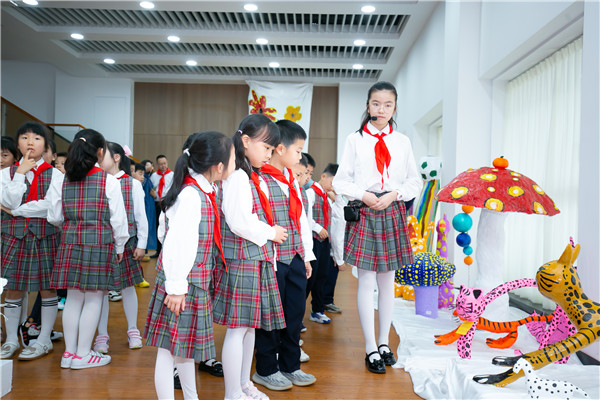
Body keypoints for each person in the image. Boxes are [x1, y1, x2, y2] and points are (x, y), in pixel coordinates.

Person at [332, 81, 422, 374]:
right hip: (366, 209)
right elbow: (340, 181)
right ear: (368, 105)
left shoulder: (402, 141)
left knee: (387, 282)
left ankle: (384, 343)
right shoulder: (355, 140)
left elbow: (415, 181)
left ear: (395, 108)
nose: (381, 109)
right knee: (366, 281)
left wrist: (395, 194)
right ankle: (370, 347)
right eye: (376, 103)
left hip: (392, 209)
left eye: (388, 104)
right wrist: (365, 195)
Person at [144, 131, 234, 400]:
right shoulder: (192, 195)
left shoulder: (203, 190)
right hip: (182, 284)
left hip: (191, 282)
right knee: (167, 351)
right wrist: (175, 288)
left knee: (183, 350)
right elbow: (175, 242)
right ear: (218, 166)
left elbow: (166, 234)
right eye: (232, 159)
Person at [213, 114, 287, 400]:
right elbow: (238, 221)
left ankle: (244, 384)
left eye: (271, 149)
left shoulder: (250, 175)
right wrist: (271, 232)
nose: (269, 154)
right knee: (238, 329)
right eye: (266, 147)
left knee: (250, 327)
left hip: (254, 258)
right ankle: (233, 392)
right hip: (242, 259)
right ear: (245, 141)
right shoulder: (238, 177)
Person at [47, 129, 129, 369]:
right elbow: (118, 221)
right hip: (99, 243)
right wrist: (120, 245)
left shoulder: (61, 179)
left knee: (73, 298)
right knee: (94, 298)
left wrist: (73, 226)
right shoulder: (108, 181)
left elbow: (54, 217)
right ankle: (83, 354)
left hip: (70, 243)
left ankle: (69, 354)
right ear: (100, 152)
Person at [253, 119, 316, 391]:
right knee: (270, 316)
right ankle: (266, 369)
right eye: (298, 150)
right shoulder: (260, 178)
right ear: (280, 149)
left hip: (296, 257)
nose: (300, 157)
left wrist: (307, 255)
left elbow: (301, 219)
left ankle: (291, 365)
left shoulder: (291, 178)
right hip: (273, 259)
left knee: (294, 314)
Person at [0, 122, 63, 360]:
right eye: (24, 137)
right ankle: (11, 340)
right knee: (13, 289)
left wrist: (16, 211)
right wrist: (20, 173)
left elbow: (50, 207)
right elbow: (8, 200)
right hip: (13, 238)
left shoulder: (56, 174)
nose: (30, 142)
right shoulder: (5, 173)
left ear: (45, 145)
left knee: (48, 289)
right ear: (17, 144)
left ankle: (44, 340)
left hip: (45, 237)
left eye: (36, 138)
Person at [93, 142, 148, 354]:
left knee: (128, 287)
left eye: (103, 155)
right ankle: (101, 334)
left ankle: (133, 329)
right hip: (103, 242)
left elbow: (140, 216)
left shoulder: (131, 183)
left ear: (116, 157)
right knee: (101, 290)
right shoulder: (97, 181)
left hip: (127, 242)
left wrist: (141, 244)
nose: (99, 160)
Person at [305, 163, 338, 324]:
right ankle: (297, 317)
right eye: (332, 182)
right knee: (309, 279)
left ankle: (317, 310)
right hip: (312, 241)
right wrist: (318, 228)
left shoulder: (327, 198)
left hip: (324, 242)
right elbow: (305, 217)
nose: (333, 186)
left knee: (322, 276)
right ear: (323, 176)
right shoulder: (310, 193)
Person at [150, 155, 173, 257]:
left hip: (168, 203)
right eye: (160, 164)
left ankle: (167, 251)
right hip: (157, 204)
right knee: (157, 226)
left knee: (168, 226)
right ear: (157, 165)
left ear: (167, 163)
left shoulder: (172, 175)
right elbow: (151, 189)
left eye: (164, 163)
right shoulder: (154, 176)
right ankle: (158, 251)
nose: (163, 166)